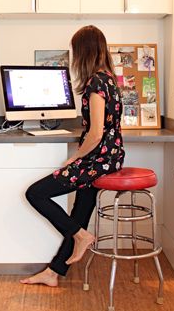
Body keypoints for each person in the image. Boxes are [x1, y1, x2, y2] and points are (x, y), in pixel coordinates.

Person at [20, 25, 125, 287]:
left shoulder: (95, 83)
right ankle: (54, 272)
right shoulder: (110, 79)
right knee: (79, 212)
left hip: (97, 159)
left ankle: (81, 236)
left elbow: (96, 132)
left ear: (84, 52)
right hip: (110, 157)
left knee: (36, 193)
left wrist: (74, 158)